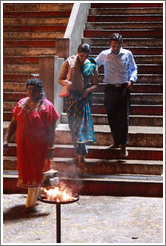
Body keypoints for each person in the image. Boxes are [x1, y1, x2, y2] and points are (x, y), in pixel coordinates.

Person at [3, 78, 60, 213]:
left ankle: (30, 204)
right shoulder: (21, 103)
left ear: (40, 91)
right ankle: (37, 196)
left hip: (39, 147)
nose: (31, 92)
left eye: (34, 90)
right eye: (29, 89)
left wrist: (51, 147)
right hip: (24, 146)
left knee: (36, 172)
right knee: (27, 171)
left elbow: (51, 130)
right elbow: (13, 123)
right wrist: (6, 139)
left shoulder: (47, 106)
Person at [95, 33, 138, 158]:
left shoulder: (127, 54)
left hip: (123, 89)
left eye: (118, 46)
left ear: (121, 44)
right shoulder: (104, 55)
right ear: (110, 44)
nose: (115, 48)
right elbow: (93, 64)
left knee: (123, 117)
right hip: (110, 89)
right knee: (111, 116)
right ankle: (115, 141)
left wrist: (131, 79)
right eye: (113, 46)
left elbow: (134, 68)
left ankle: (123, 146)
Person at [58, 43, 98, 166]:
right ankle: (78, 152)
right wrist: (66, 83)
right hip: (71, 100)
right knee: (73, 127)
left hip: (83, 99)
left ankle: (81, 155)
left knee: (81, 127)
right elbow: (60, 79)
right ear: (77, 53)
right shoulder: (69, 63)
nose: (83, 58)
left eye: (86, 56)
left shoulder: (91, 65)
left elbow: (96, 85)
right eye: (81, 55)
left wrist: (87, 90)